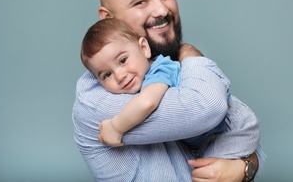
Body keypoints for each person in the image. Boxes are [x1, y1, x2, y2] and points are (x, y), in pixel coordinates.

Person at [73, 0, 265, 181]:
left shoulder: (157, 66)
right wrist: (190, 53)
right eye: (140, 2)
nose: (161, 10)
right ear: (108, 18)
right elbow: (210, 108)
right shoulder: (97, 99)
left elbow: (244, 135)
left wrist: (242, 169)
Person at [81, 18, 230, 151]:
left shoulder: (161, 68)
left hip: (226, 132)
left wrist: (115, 127)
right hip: (203, 139)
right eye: (107, 75)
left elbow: (147, 102)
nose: (120, 76)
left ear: (144, 48)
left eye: (122, 60)